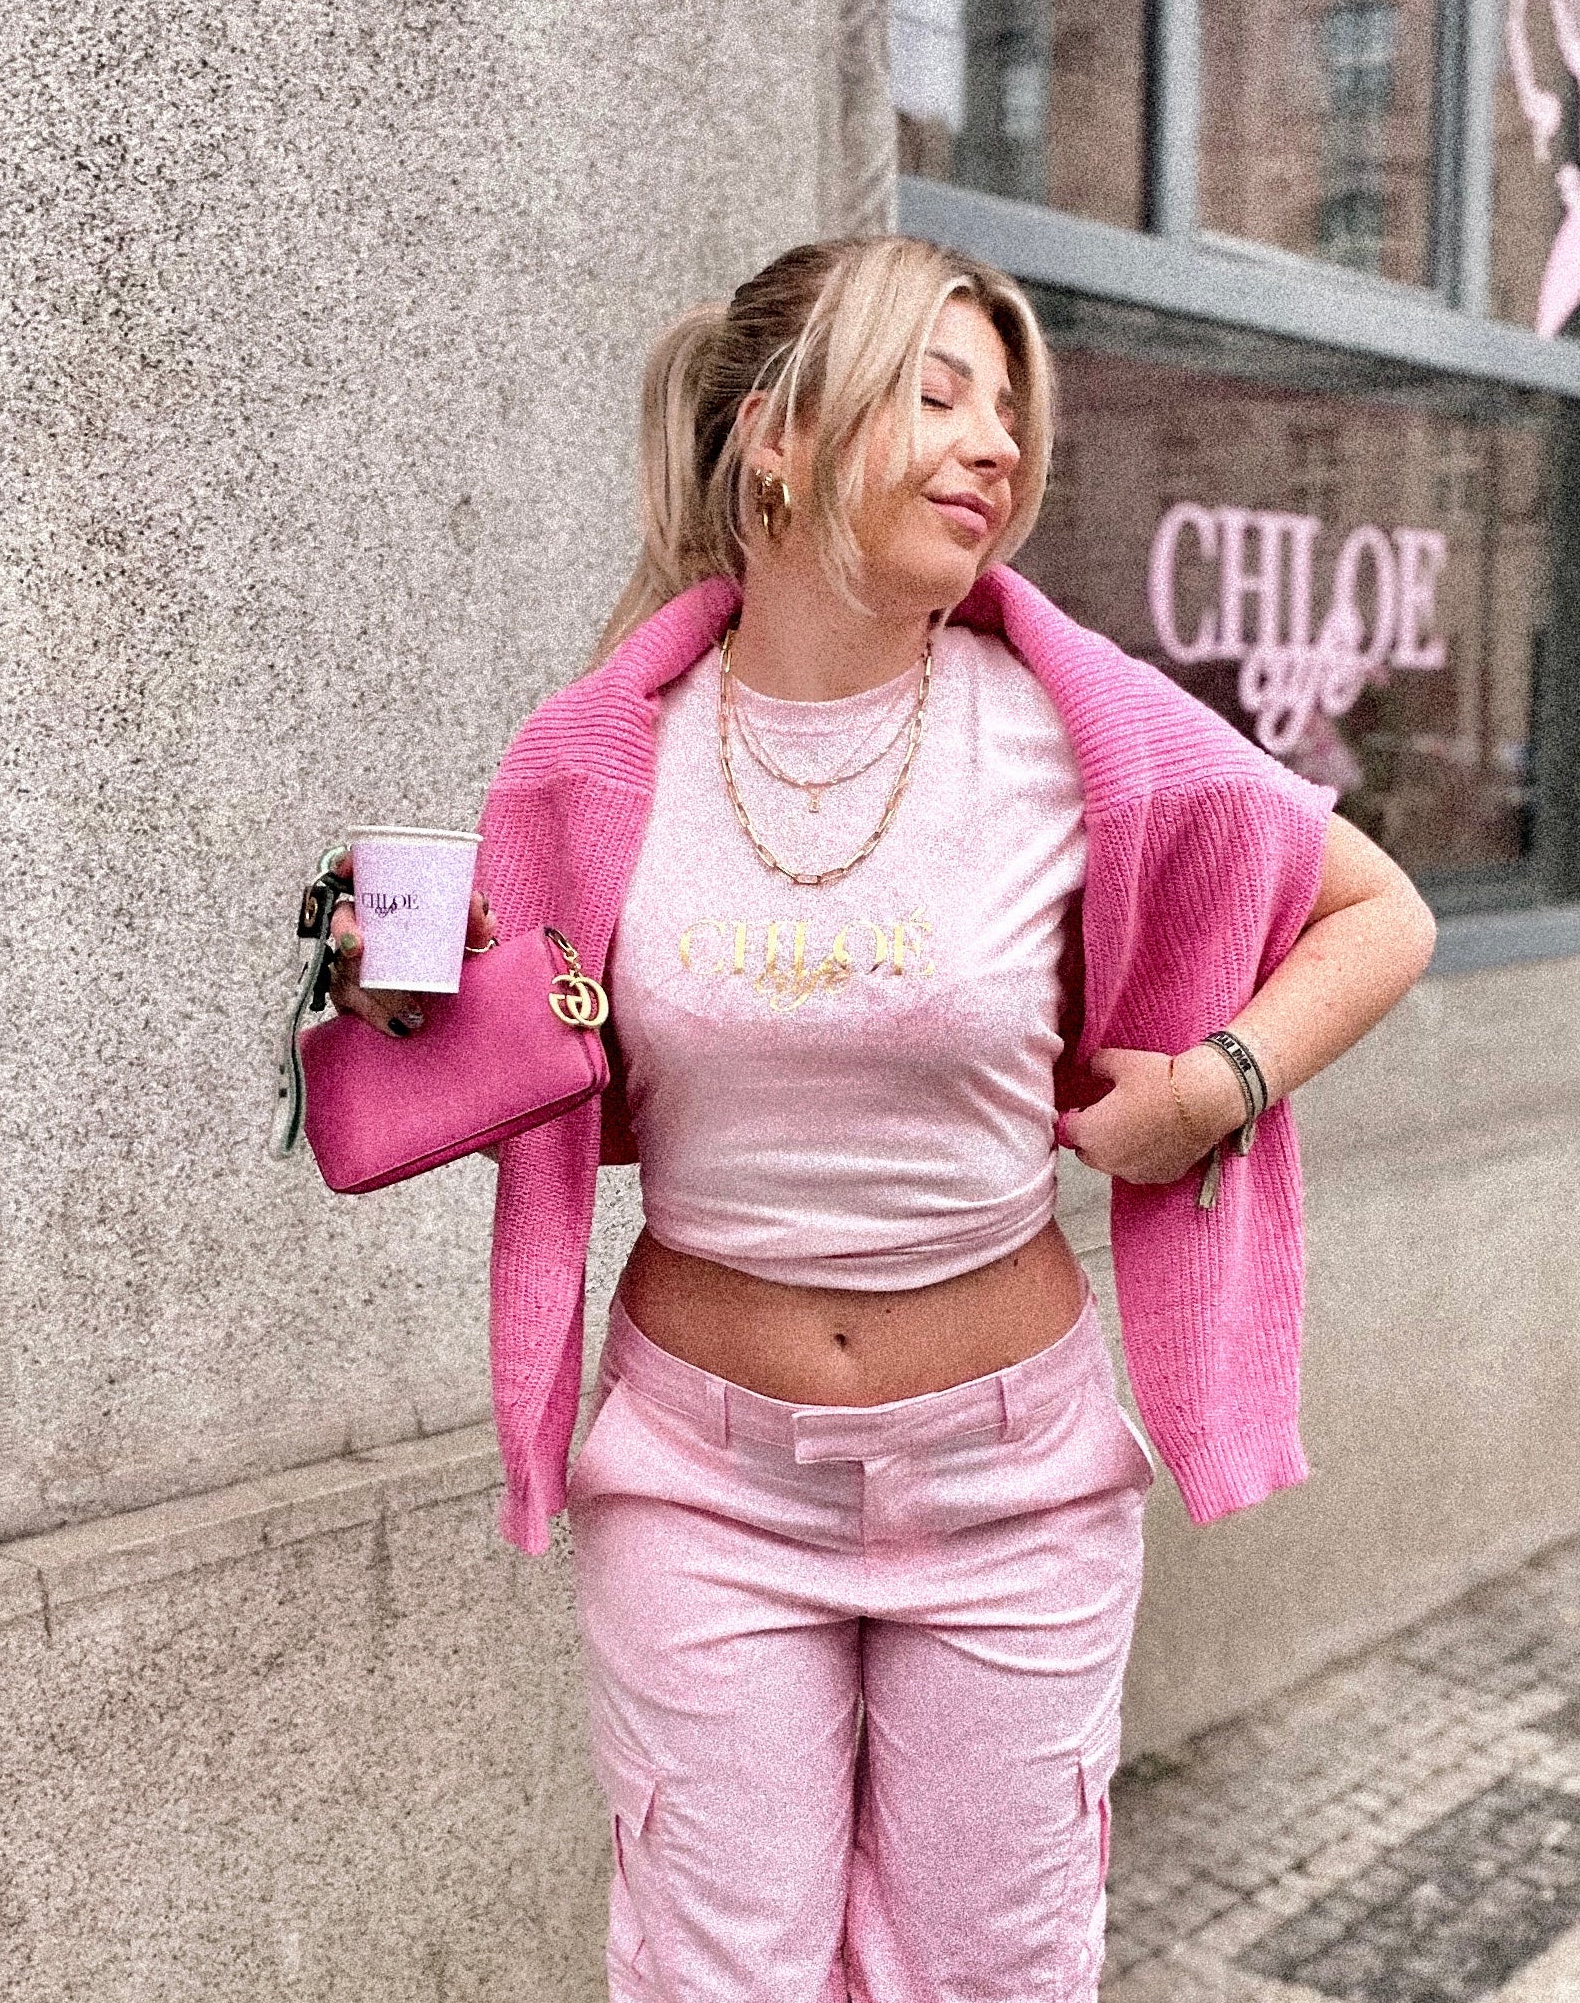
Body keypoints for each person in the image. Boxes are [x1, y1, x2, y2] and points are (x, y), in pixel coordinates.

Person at [325, 236, 1436, 2003]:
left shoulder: (1078, 730)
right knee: (716, 1974)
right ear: (772, 436)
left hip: (1010, 1481)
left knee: (995, 1973)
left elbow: (1379, 911)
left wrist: (1210, 1088)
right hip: (697, 1478)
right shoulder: (597, 756)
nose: (994, 441)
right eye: (934, 393)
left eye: (1005, 408)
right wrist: (402, 993)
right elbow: (545, 1066)